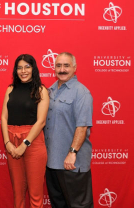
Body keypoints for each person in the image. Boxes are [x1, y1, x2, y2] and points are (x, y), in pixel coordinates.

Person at [44, 52, 94, 208]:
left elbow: (82, 126)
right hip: (51, 162)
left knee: (78, 205)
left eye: (66, 65)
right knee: (58, 204)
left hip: (72, 163)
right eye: (58, 65)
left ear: (74, 68)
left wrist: (72, 153)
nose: (62, 69)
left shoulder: (82, 93)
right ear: (54, 68)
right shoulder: (49, 91)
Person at [1, 54, 49, 208]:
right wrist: (7, 142)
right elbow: (3, 117)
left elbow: (41, 121)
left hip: (33, 142)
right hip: (12, 142)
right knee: (18, 193)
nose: (23, 71)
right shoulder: (10, 89)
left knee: (35, 195)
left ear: (33, 68)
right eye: (20, 67)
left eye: (27, 67)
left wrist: (24, 144)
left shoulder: (41, 90)